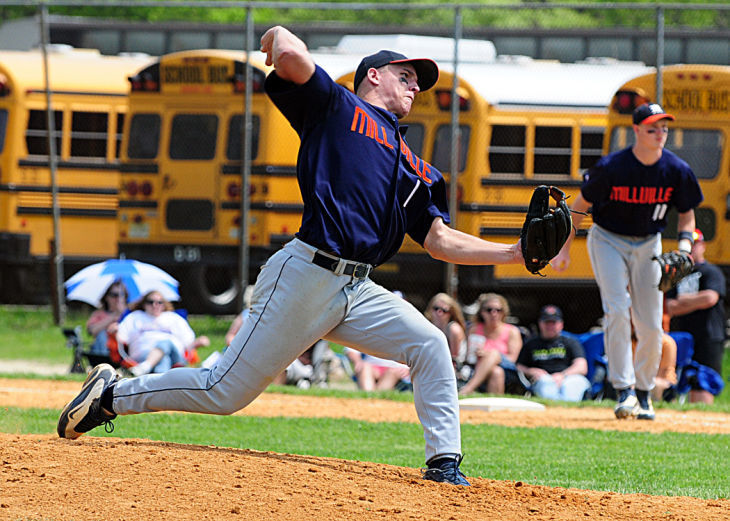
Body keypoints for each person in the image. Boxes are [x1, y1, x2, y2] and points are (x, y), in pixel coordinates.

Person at [58, 26, 529, 487]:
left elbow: (439, 239)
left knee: (429, 345)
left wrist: (514, 252)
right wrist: (281, 34)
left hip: (358, 288)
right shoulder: (338, 108)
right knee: (224, 391)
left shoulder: (413, 164)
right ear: (372, 76)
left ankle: (444, 464)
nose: (414, 85)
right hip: (307, 272)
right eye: (404, 75)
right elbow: (295, 63)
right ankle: (113, 394)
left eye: (419, 81)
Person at [553, 102, 703, 420]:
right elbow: (579, 207)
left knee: (650, 323)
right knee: (618, 309)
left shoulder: (676, 170)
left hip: (649, 242)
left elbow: (687, 215)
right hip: (608, 239)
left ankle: (645, 391)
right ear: (636, 131)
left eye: (664, 128)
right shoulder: (613, 167)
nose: (660, 133)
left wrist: (687, 246)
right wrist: (564, 249)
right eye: (652, 128)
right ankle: (625, 390)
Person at [665, 228, 726, 404]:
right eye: (688, 245)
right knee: (683, 378)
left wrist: (683, 301)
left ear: (703, 246)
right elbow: (670, 306)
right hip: (684, 335)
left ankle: (702, 418)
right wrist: (695, 301)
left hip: (709, 335)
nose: (692, 248)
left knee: (704, 380)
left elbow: (711, 298)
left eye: (695, 244)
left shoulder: (711, 272)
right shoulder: (677, 274)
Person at [115, 291, 210, 376]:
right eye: (150, 302)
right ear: (144, 304)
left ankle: (146, 367)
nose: (155, 305)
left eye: (159, 302)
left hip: (175, 355)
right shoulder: (134, 317)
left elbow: (188, 342)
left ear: (164, 304)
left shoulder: (173, 318)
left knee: (166, 342)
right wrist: (115, 330)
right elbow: (122, 338)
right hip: (142, 354)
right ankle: (160, 381)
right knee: (164, 358)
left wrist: (199, 342)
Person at [516, 305, 590, 402]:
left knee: (571, 386)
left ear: (561, 324)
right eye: (547, 322)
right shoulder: (531, 343)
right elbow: (518, 366)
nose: (550, 326)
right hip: (543, 379)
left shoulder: (571, 342)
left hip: (569, 377)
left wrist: (562, 375)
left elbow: (582, 367)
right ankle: (555, 414)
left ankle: (568, 413)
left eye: (553, 322)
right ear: (540, 323)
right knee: (546, 382)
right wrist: (531, 371)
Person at [458, 293, 523, 395]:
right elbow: (467, 357)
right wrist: (476, 355)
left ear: (503, 312)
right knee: (496, 372)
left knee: (493, 354)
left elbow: (512, 359)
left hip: (508, 371)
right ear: (482, 312)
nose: (494, 313)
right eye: (489, 310)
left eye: (498, 310)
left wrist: (488, 356)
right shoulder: (474, 329)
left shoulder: (512, 331)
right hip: (478, 369)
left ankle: (468, 389)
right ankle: (494, 409)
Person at [423, 293, 467, 369]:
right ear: (430, 309)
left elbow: (454, 359)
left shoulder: (453, 329)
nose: (439, 313)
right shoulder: (427, 326)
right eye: (436, 308)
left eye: (444, 310)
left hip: (455, 368)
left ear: (451, 313)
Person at [86, 280, 128, 356]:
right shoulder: (99, 314)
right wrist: (113, 317)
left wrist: (123, 314)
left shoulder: (131, 315)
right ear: (106, 297)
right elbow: (92, 331)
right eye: (114, 295)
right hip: (104, 350)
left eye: (122, 295)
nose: (118, 298)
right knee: (102, 334)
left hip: (124, 349)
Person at [344, 347, 411, 391]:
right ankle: (368, 397)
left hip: (397, 368)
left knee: (392, 372)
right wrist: (357, 361)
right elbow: (351, 350)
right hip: (372, 366)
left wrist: (409, 369)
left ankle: (374, 399)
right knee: (364, 367)